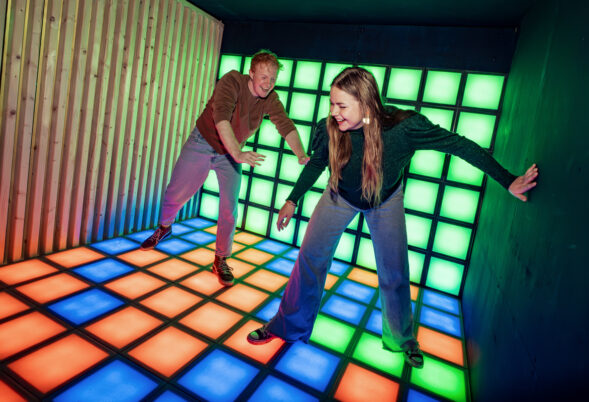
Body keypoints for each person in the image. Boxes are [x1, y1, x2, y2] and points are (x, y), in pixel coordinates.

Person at [247, 67, 538, 368]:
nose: (333, 112)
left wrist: (508, 180)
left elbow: (458, 145)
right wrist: (292, 199)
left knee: (394, 271)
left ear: (365, 103)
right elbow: (318, 162)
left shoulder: (404, 128)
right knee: (310, 258)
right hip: (339, 195)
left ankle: (403, 340)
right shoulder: (331, 127)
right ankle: (287, 326)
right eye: (332, 103)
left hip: (385, 200)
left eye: (341, 105)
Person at [141, 50, 309, 287]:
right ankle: (164, 227)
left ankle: (220, 259)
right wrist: (238, 154)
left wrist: (300, 154)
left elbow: (285, 125)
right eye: (263, 77)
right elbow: (221, 119)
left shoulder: (271, 98)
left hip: (231, 153)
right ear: (251, 73)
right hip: (203, 141)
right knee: (176, 192)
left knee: (229, 208)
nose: (268, 83)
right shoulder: (232, 81)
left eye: (273, 79)